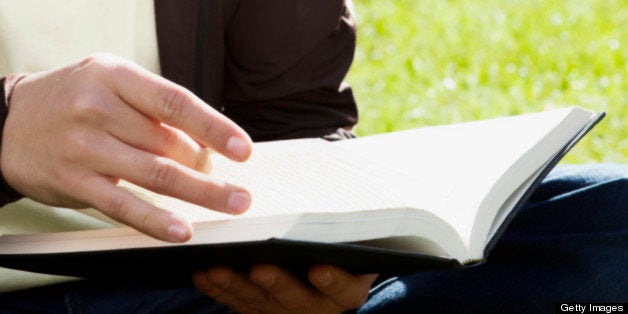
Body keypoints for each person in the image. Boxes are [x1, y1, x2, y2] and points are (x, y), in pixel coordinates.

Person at [0, 1, 626, 314]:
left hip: (198, 283)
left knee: (613, 224)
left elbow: (296, 116)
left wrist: (329, 245)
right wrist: (9, 122)